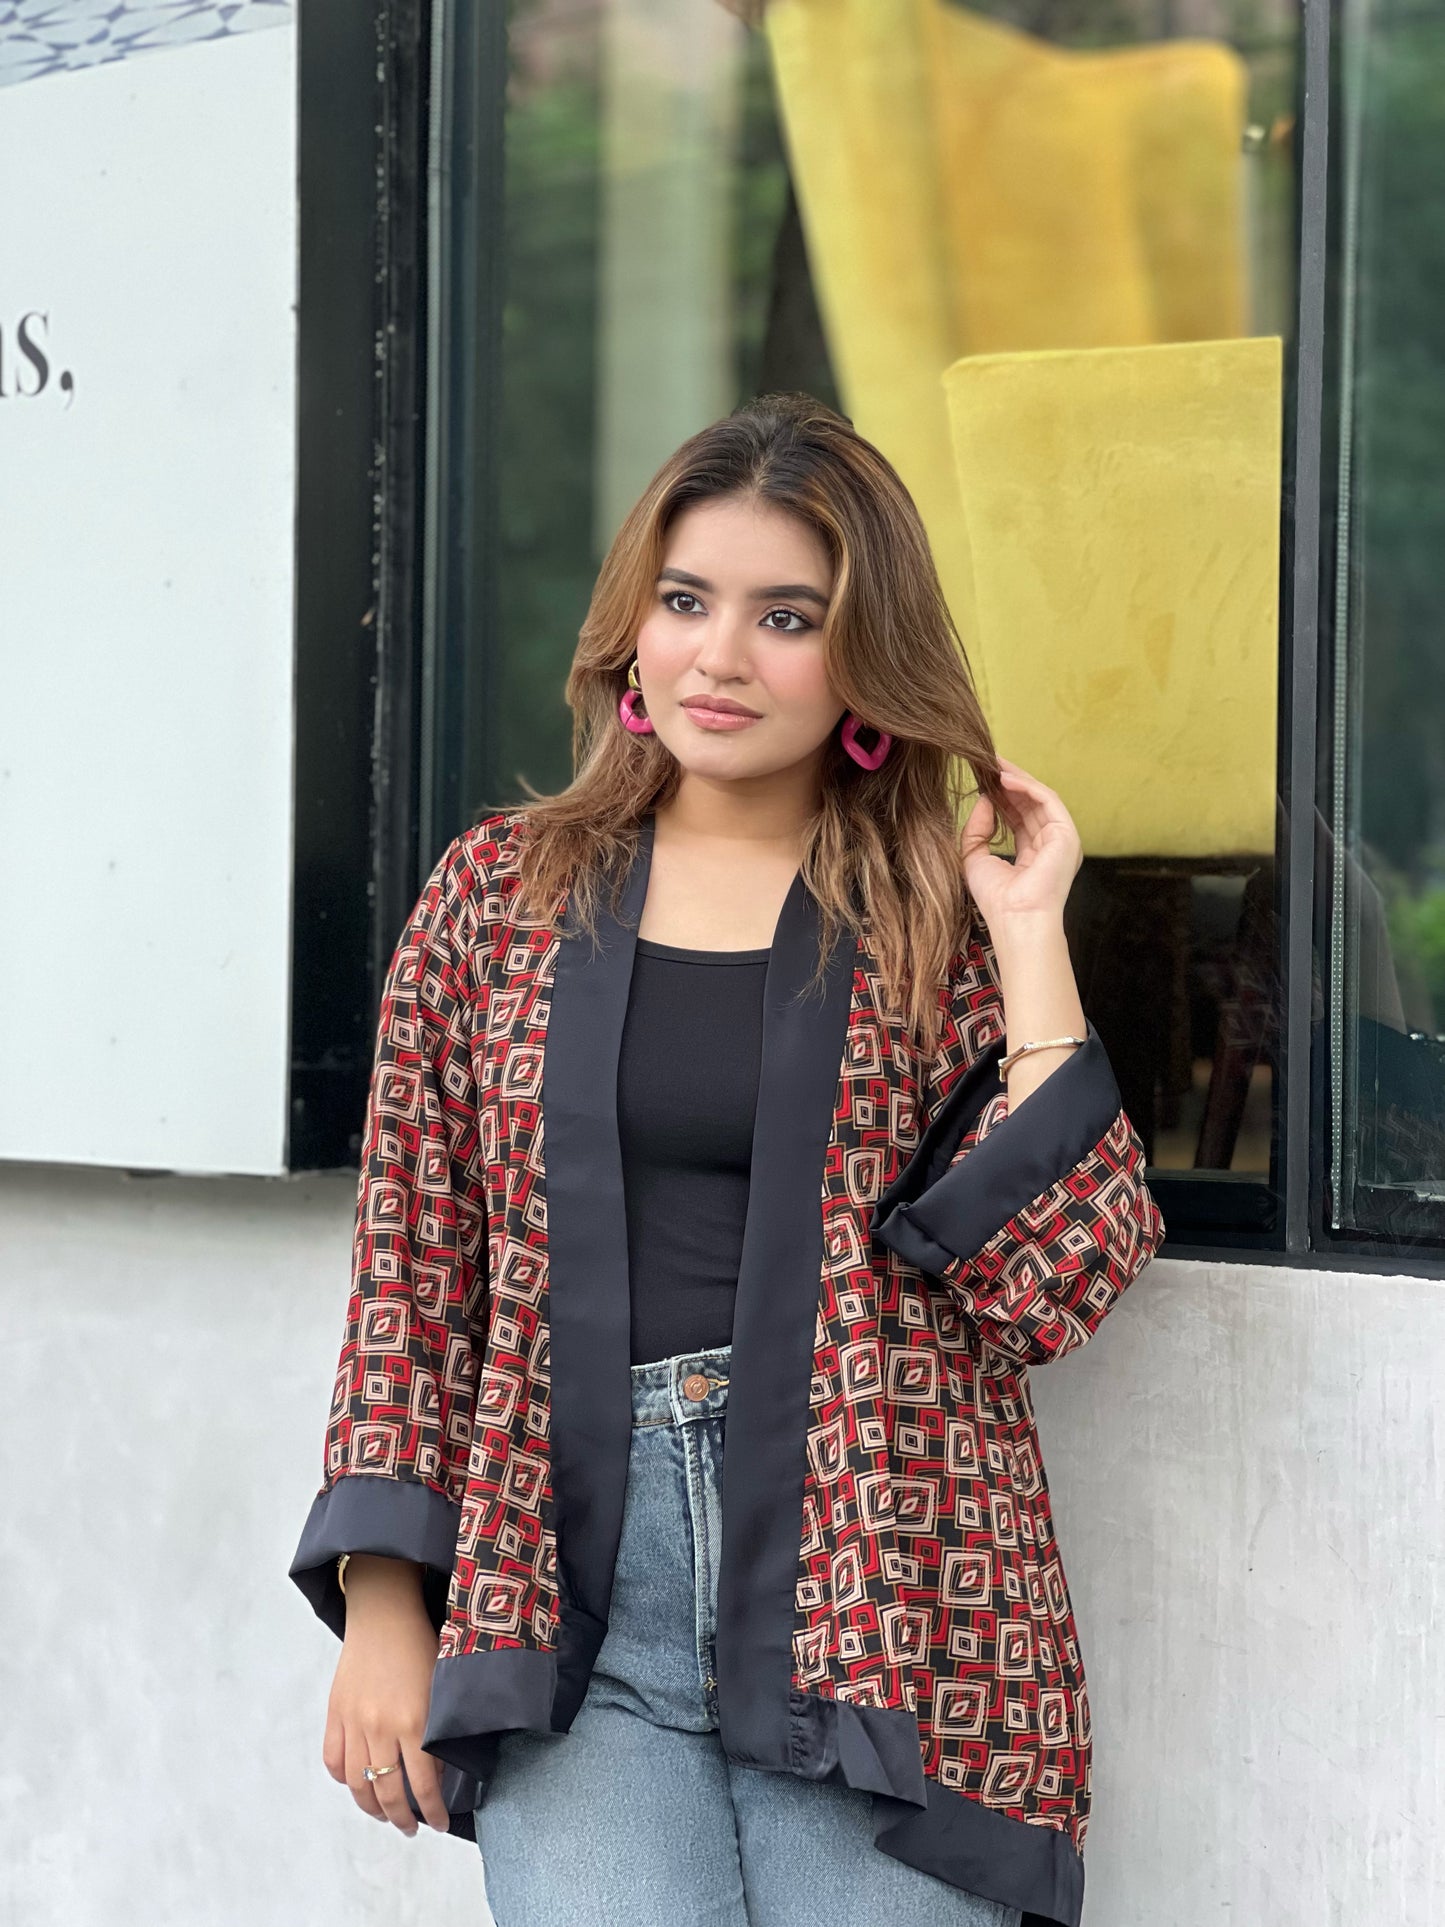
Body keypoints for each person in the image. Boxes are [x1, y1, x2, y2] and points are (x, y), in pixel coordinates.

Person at [289, 391, 1165, 1927]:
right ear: (633, 625)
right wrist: (381, 1600)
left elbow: (1062, 1284)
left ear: (860, 659)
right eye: (687, 602)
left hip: (885, 1596)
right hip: (566, 1590)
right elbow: (412, 1270)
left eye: (787, 617)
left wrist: (1028, 940)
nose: (720, 654)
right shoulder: (499, 898)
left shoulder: (929, 918)